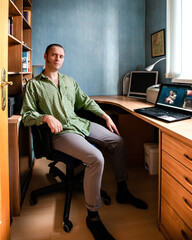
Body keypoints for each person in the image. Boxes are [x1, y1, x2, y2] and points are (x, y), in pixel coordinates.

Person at [21, 43, 147, 240]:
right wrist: (45, 117)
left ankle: (122, 189)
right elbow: (27, 115)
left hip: (80, 124)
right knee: (96, 158)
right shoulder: (33, 85)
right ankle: (93, 217)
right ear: (45, 56)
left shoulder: (69, 81)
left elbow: (85, 102)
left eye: (61, 56)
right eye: (54, 55)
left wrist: (105, 116)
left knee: (117, 141)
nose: (58, 59)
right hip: (60, 134)